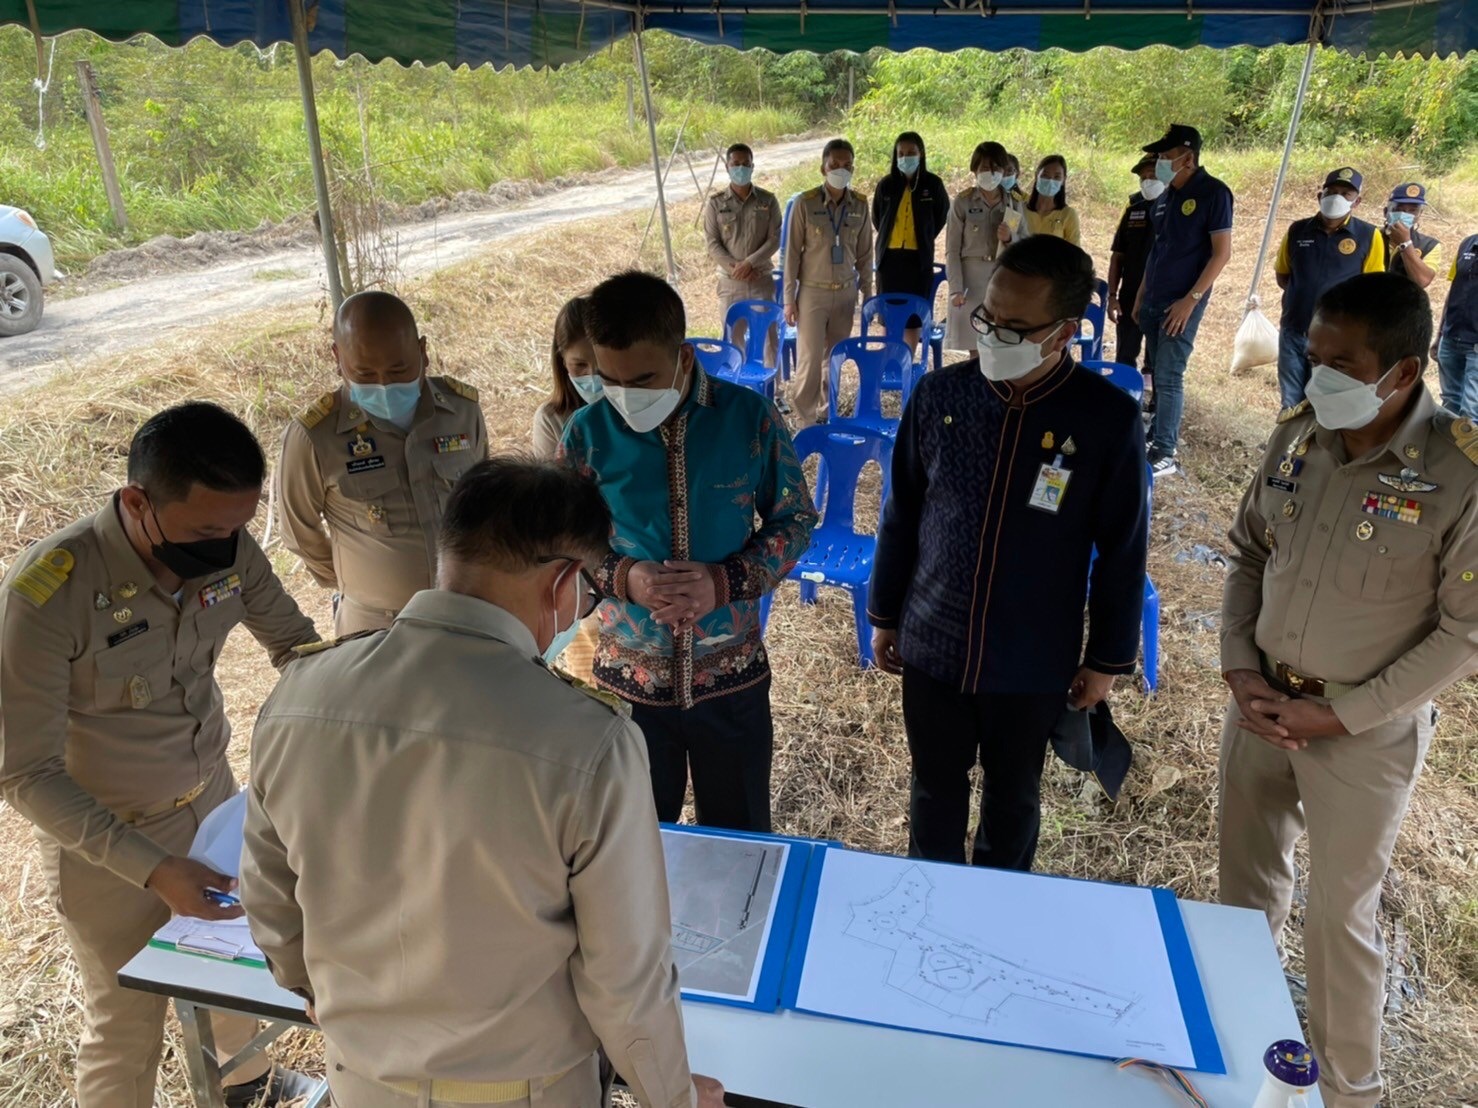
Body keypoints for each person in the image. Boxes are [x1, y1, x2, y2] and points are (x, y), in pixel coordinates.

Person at [241, 456, 727, 1108]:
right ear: (563, 584)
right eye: (587, 593)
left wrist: (319, 993)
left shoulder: (301, 695)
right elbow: (625, 980)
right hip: (523, 1091)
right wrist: (676, 1098)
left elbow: (271, 900)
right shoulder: (586, 740)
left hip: (361, 1078)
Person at [0, 403, 320, 1108]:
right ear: (137, 501)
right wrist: (151, 869)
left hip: (214, 807)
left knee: (235, 966)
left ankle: (248, 1088)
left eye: (239, 526)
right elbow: (24, 774)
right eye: (208, 529)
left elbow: (298, 649)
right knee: (125, 1021)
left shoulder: (228, 546)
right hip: (108, 844)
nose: (227, 545)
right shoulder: (51, 594)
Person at [1218, 271, 1478, 1108]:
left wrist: (1343, 714)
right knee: (1243, 896)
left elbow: (1465, 631)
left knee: (1341, 921)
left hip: (1362, 733)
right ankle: (1235, 1058)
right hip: (1261, 707)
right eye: (1313, 355)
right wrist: (1238, 668)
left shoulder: (1459, 474)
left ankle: (1348, 1094)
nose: (1316, 375)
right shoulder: (1298, 436)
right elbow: (1250, 553)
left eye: (1341, 365)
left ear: (1402, 372)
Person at [868, 236, 1149, 871]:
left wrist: (1106, 659)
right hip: (934, 644)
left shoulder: (1103, 419)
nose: (993, 334)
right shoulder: (941, 397)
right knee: (934, 792)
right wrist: (886, 614)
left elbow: (1124, 549)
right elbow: (902, 513)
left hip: (1031, 658)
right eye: (990, 317)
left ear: (1065, 333)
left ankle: (1001, 913)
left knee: (1013, 799)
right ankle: (928, 901)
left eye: (1017, 327)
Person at [560, 272, 817, 832]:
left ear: (682, 355)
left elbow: (795, 519)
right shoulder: (586, 432)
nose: (625, 395)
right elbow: (562, 539)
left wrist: (724, 582)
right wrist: (623, 577)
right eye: (609, 379)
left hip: (732, 679)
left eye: (644, 378)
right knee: (634, 843)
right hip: (628, 689)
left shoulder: (749, 419)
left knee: (742, 838)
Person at [275, 290, 487, 636]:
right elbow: (299, 531)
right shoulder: (315, 436)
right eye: (365, 374)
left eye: (399, 369)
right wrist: (358, 579)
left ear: (422, 351)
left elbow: (482, 502)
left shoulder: (461, 412)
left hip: (464, 610)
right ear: (337, 357)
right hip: (376, 626)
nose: (384, 384)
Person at [1134, 123, 1234, 477]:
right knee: (1157, 371)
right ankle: (1155, 434)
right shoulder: (1166, 196)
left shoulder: (1214, 193)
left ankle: (1165, 450)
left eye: (1165, 156)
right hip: (1154, 297)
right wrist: (1141, 294)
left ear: (1187, 157)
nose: (1159, 162)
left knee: (1170, 373)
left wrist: (1191, 300)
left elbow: (1221, 254)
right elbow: (1157, 250)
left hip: (1182, 302)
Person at [1273, 167, 1386, 409]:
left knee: (1322, 403)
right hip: (1294, 328)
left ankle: (1315, 447)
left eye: (1346, 194)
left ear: (1357, 202)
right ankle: (1286, 446)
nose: (1337, 197)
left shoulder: (1369, 235)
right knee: (1290, 401)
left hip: (1335, 340)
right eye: (1331, 191)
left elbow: (1373, 289)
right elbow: (1283, 275)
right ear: (1319, 196)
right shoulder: (1297, 230)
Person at [532, 294, 602, 681]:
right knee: (592, 683)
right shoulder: (552, 419)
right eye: (580, 365)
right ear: (562, 363)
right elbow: (558, 508)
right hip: (582, 575)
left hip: (641, 568)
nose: (593, 375)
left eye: (602, 363)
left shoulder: (637, 414)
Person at [783, 138, 875, 428]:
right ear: (823, 168)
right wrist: (789, 299)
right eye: (834, 164)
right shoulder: (805, 203)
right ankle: (805, 419)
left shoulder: (860, 205)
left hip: (845, 294)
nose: (840, 169)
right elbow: (791, 256)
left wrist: (869, 294)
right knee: (810, 360)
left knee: (834, 357)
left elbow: (865, 254)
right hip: (813, 293)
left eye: (847, 165)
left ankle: (826, 411)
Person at [703, 143, 783, 362]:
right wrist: (737, 268)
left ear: (753, 166)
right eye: (736, 164)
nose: (741, 168)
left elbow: (775, 238)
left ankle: (772, 390)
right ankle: (736, 385)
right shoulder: (716, 203)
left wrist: (750, 263)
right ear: (727, 167)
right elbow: (712, 243)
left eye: (745, 164)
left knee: (769, 336)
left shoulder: (768, 200)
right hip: (730, 283)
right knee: (732, 338)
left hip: (761, 280)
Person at [943, 141, 1025, 352]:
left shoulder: (1013, 203)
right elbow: (952, 250)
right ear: (975, 170)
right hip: (971, 281)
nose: (990, 173)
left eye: (996, 168)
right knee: (974, 347)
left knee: (999, 346)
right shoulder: (963, 202)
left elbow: (1023, 246)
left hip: (1002, 281)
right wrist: (956, 289)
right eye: (985, 168)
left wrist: (1010, 238)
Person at [871, 130, 949, 350]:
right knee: (889, 313)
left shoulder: (933, 184)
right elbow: (878, 217)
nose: (906, 157)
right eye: (901, 153)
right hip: (889, 260)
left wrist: (923, 236)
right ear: (895, 156)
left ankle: (906, 360)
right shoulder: (886, 185)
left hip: (918, 260)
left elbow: (940, 216)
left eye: (911, 152)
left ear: (921, 154)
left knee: (913, 315)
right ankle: (889, 361)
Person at [1107, 154, 1161, 386]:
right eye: (1143, 177)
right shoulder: (1134, 208)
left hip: (1162, 295)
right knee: (1125, 355)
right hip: (1130, 292)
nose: (1148, 181)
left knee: (1158, 362)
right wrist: (1112, 296)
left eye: (1153, 175)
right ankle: (1124, 393)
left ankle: (1152, 401)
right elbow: (1117, 256)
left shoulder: (1178, 208)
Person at [1436, 231, 1478, 418]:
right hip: (1451, 337)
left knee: (1470, 413)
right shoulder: (1468, 243)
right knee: (1449, 404)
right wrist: (1439, 334)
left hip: (1476, 345)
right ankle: (1448, 448)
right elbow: (1454, 287)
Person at [1385, 182, 1441, 288]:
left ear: (1420, 214)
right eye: (1399, 209)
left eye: (1413, 210)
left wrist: (1405, 243)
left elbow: (1422, 281)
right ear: (1386, 211)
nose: (1405, 214)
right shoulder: (1372, 236)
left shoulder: (1429, 246)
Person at [1022, 155, 1081, 246]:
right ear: (1037, 175)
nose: (1050, 180)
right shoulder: (1019, 209)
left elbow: (1075, 253)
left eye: (1057, 177)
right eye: (1045, 175)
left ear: (1063, 180)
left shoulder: (1068, 215)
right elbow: (1007, 241)